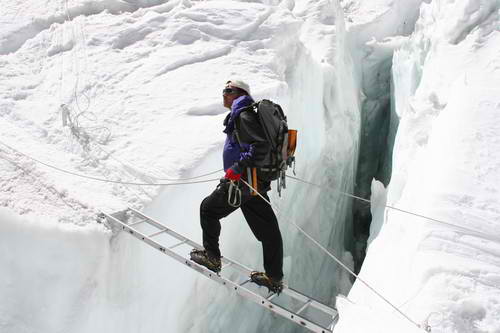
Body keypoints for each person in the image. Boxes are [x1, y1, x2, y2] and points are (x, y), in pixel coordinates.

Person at [190, 80, 284, 293]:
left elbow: (260, 146)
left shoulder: (244, 114)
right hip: (253, 183)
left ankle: (212, 257)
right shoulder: (244, 113)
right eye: (223, 90)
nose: (224, 94)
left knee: (208, 209)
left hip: (243, 181)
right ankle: (274, 277)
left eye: (228, 90)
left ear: (239, 93)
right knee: (269, 231)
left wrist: (238, 167)